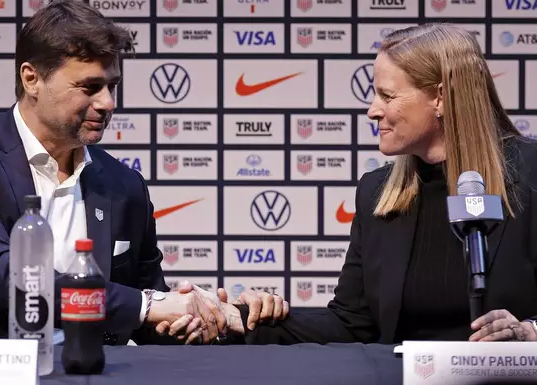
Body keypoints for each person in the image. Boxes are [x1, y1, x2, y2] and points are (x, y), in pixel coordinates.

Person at [0, 0, 288, 344]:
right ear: (32, 78)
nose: (108, 103)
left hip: (89, 373)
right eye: (89, 87)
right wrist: (148, 305)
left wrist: (210, 315)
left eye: (112, 86)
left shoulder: (124, 185)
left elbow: (143, 310)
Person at [199, 23, 537, 344]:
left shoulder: (531, 174)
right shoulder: (377, 193)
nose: (372, 111)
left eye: (387, 96)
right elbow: (351, 323)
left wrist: (529, 332)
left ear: (440, 98)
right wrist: (245, 318)